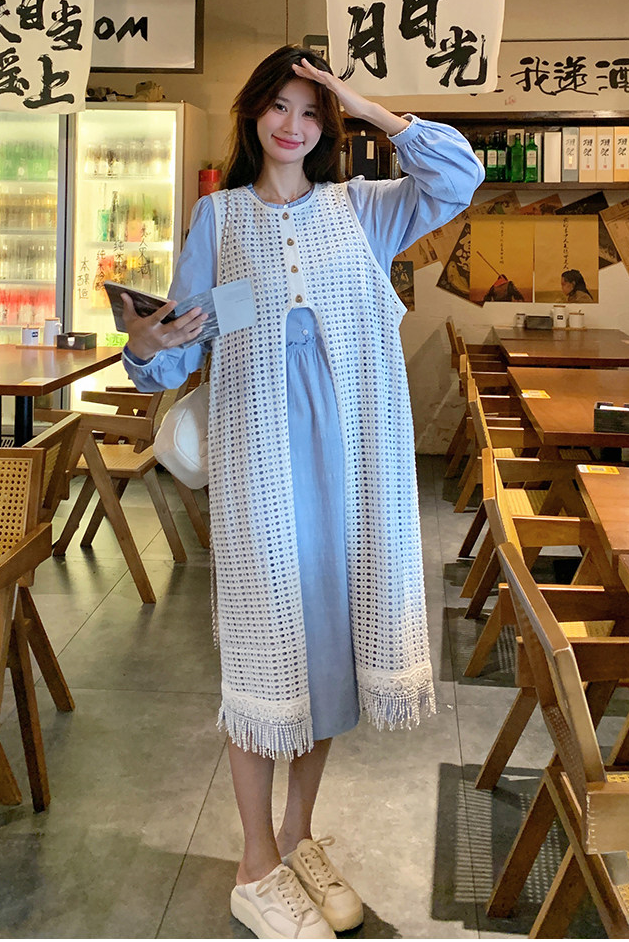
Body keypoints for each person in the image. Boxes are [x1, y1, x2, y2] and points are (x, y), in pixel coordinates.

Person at [120, 45, 482, 940]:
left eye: (312, 110)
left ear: (330, 124)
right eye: (280, 105)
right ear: (253, 113)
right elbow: (189, 341)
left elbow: (458, 176)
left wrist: (363, 100)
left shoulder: (364, 211)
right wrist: (149, 341)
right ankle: (255, 867)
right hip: (262, 478)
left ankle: (297, 837)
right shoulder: (219, 216)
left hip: (354, 479)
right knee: (263, 660)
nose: (294, 124)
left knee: (325, 660)